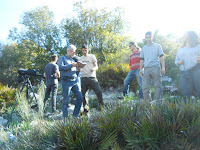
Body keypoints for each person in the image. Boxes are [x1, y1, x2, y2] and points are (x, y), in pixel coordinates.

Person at [139, 31, 165, 102]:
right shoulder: (143, 48)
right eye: (147, 37)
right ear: (145, 38)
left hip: (156, 68)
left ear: (152, 37)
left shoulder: (158, 46)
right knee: (145, 88)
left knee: (157, 86)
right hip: (146, 69)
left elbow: (161, 57)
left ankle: (158, 104)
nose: (148, 39)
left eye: (150, 37)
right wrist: (141, 69)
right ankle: (148, 105)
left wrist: (163, 67)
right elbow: (141, 60)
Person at [58, 45, 83, 119]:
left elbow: (76, 72)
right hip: (66, 81)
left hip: (75, 81)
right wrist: (71, 65)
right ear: (68, 51)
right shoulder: (62, 58)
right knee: (66, 100)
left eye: (75, 52)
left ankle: (75, 116)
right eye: (73, 51)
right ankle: (65, 118)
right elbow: (60, 67)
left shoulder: (73, 60)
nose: (74, 53)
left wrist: (78, 69)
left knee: (80, 98)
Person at [175, 31, 200, 103]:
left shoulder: (198, 47)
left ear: (189, 36)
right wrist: (179, 62)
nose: (183, 36)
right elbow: (176, 61)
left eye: (185, 34)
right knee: (185, 93)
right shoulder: (180, 49)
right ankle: (188, 111)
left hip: (196, 70)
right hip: (184, 72)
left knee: (199, 91)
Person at [78, 44, 103, 115]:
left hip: (92, 77)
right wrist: (78, 68)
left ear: (88, 50)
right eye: (83, 50)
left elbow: (96, 66)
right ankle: (86, 111)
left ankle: (102, 108)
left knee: (99, 91)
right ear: (81, 51)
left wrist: (94, 69)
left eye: (85, 50)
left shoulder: (92, 56)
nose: (84, 52)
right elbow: (78, 69)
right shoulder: (80, 59)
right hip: (83, 78)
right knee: (84, 95)